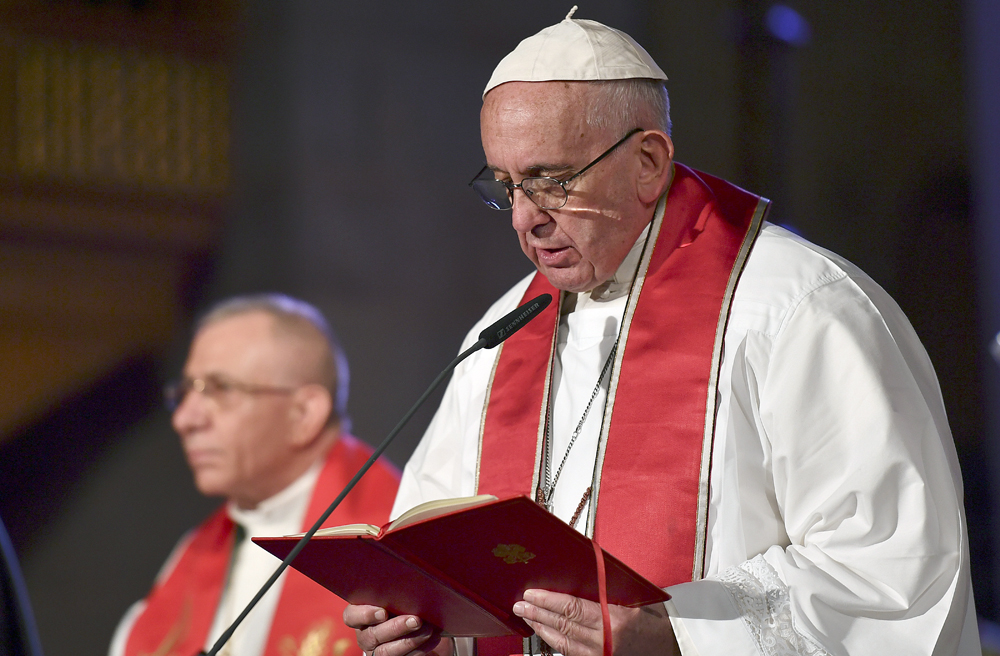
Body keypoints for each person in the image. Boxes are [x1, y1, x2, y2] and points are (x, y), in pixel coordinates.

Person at [345, 8, 979, 656]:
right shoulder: (502, 335)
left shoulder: (800, 311)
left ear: (648, 161)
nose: (524, 219)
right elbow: (443, 545)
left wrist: (679, 634)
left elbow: (890, 574)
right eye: (506, 187)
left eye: (552, 181)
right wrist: (427, 632)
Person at [110, 294, 399, 656]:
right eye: (186, 391)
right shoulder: (189, 556)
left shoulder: (396, 544)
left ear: (304, 414)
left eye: (220, 389)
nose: (184, 419)